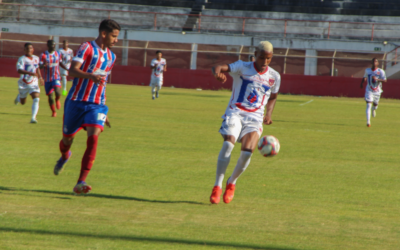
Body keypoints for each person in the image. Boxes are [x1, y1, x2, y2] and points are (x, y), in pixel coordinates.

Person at [209, 41, 281, 204]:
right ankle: (217, 186)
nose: (265, 62)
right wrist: (217, 74)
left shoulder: (274, 76)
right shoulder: (242, 66)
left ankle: (231, 182)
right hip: (235, 112)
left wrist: (268, 114)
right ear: (255, 54)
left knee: (247, 152)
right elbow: (218, 67)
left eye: (268, 58)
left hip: (255, 118)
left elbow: (273, 97)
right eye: (262, 57)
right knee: (228, 144)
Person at [54, 19, 119, 195]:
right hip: (75, 102)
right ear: (104, 34)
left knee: (94, 138)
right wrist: (90, 76)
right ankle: (65, 155)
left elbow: (102, 84)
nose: (116, 40)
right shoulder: (86, 48)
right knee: (67, 140)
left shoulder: (111, 57)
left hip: (96, 105)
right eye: (114, 36)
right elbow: (72, 71)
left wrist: (104, 110)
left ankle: (81, 182)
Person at [14, 43, 44, 123]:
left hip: (34, 82)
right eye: (27, 48)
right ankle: (18, 98)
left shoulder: (36, 58)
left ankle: (33, 118)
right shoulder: (22, 59)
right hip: (24, 82)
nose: (29, 50)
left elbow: (37, 68)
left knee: (36, 98)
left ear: (33, 49)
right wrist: (30, 73)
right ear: (24, 50)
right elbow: (19, 70)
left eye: (30, 48)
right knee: (23, 102)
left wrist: (40, 77)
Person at [39, 40, 67, 117]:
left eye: (54, 45)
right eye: (52, 45)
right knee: (50, 96)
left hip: (56, 77)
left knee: (58, 92)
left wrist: (66, 68)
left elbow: (60, 63)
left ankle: (57, 99)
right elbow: (39, 66)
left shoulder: (58, 53)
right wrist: (43, 65)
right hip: (47, 79)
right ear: (48, 45)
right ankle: (54, 111)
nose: (53, 46)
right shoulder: (43, 55)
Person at [360, 58, 387, 127]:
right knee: (368, 105)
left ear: (378, 63)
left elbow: (385, 80)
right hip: (369, 90)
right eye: (374, 61)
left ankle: (373, 109)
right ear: (371, 62)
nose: (375, 62)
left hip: (377, 91)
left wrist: (377, 79)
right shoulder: (367, 70)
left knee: (375, 105)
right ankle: (368, 122)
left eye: (376, 61)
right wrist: (362, 83)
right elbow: (364, 77)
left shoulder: (380, 71)